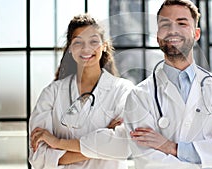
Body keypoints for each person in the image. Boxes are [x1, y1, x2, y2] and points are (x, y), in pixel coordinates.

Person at [124, 0, 212, 169]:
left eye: (182, 23)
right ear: (157, 36)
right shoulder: (139, 96)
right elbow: (149, 162)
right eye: (165, 24)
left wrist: (172, 148)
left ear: (196, 33)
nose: (172, 30)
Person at [29, 13, 134, 169]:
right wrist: (103, 143)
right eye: (78, 42)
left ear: (104, 45)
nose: (86, 49)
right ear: (70, 48)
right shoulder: (52, 93)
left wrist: (58, 143)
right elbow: (39, 157)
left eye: (93, 41)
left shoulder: (123, 90)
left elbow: (123, 147)